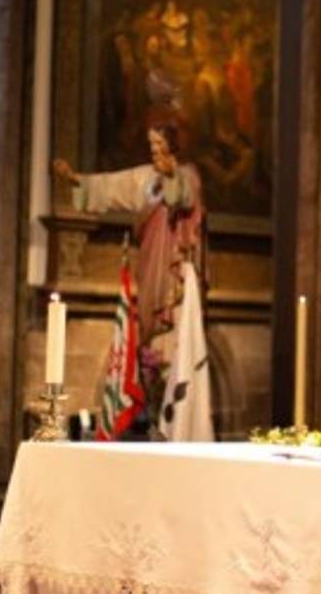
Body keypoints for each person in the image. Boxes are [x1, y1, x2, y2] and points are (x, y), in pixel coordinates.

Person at [54, 124, 213, 441]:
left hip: (174, 267)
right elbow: (113, 186)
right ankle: (153, 405)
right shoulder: (145, 178)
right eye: (151, 147)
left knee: (171, 335)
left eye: (159, 146)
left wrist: (172, 175)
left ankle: (171, 413)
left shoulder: (188, 175)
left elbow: (183, 196)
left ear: (172, 147)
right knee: (150, 331)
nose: (154, 153)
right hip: (150, 263)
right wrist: (76, 180)